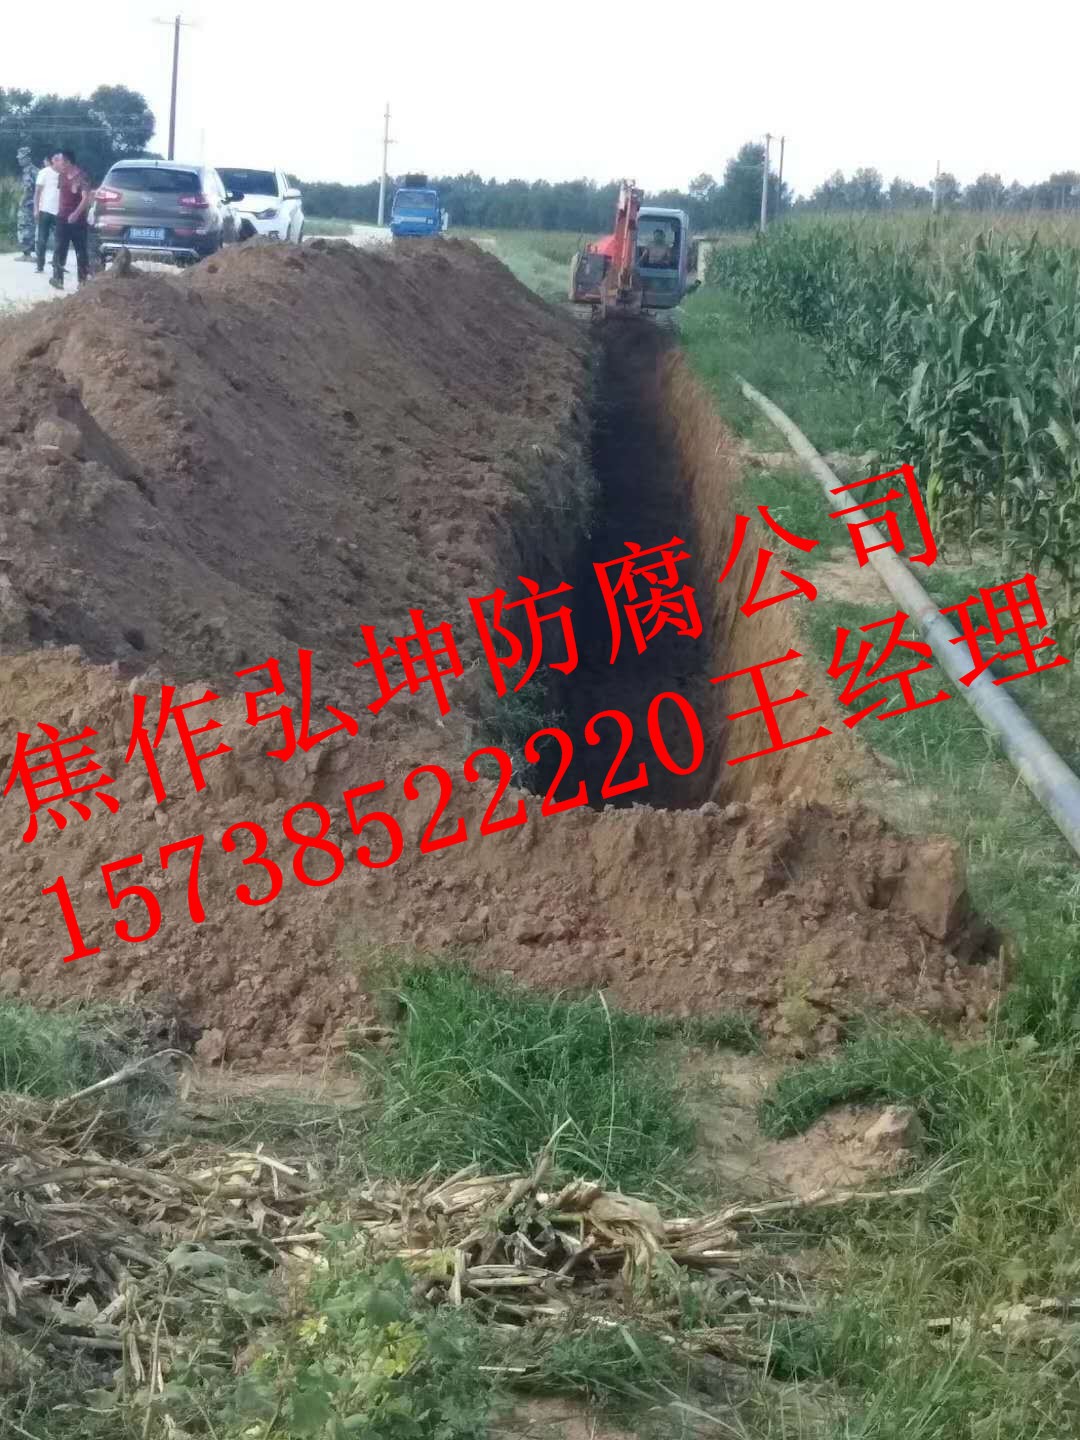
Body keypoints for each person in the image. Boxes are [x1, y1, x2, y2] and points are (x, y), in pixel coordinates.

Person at [50, 150, 92, 291]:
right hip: (62, 218)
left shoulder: (82, 177)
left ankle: (83, 281)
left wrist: (75, 214)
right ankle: (58, 279)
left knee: (81, 250)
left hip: (78, 220)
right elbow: (61, 196)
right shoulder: (61, 176)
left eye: (61, 161)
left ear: (68, 162)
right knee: (59, 249)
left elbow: (86, 199)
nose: (58, 163)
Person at [34, 152, 61, 274]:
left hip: (59, 212)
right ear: (52, 160)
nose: (59, 161)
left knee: (60, 240)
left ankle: (57, 264)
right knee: (42, 239)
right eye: (56, 159)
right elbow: (37, 193)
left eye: (60, 159)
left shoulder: (64, 173)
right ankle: (40, 265)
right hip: (45, 210)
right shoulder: (44, 172)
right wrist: (36, 209)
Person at [15, 146, 38, 261]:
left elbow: (29, 190)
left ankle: (28, 254)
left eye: (22, 158)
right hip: (30, 204)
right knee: (26, 227)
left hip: (29, 205)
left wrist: (22, 201)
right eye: (19, 158)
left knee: (26, 227)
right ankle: (26, 253)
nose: (19, 160)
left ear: (28, 158)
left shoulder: (31, 171)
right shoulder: (29, 171)